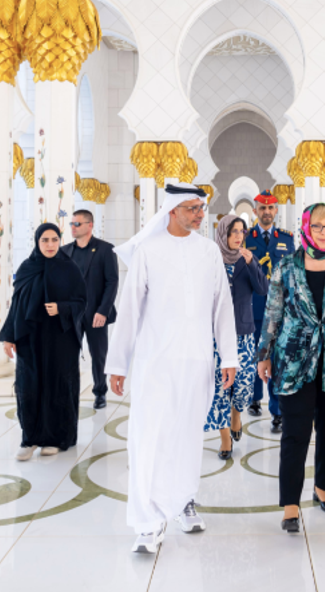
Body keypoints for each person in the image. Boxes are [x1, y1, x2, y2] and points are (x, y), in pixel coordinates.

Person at [108, 184, 238, 554]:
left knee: (187, 435)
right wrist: (118, 362)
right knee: (149, 438)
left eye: (201, 208)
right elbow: (129, 310)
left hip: (197, 361)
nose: (200, 214)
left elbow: (222, 306)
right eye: (192, 208)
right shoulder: (149, 251)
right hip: (155, 364)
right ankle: (148, 521)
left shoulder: (209, 252)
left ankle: (183, 501)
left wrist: (228, 357)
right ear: (172, 210)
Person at [257, 203, 325, 533]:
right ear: (305, 227)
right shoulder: (287, 265)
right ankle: (291, 503)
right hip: (294, 360)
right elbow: (272, 312)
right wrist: (264, 354)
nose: (324, 232)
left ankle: (322, 485)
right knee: (295, 432)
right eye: (318, 226)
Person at [0, 223, 88, 461]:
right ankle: (30, 438)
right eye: (45, 240)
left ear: (60, 241)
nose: (50, 245)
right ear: (37, 242)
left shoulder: (70, 268)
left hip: (61, 337)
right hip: (30, 337)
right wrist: (9, 336)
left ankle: (55, 438)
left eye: (54, 240)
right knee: (29, 384)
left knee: (57, 383)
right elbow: (16, 304)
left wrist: (62, 308)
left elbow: (82, 303)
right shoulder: (27, 267)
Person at [205, 215, 268, 459]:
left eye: (242, 231)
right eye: (233, 232)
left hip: (243, 333)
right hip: (216, 335)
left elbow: (263, 289)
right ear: (223, 234)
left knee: (244, 383)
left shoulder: (247, 259)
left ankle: (236, 414)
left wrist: (253, 264)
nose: (239, 236)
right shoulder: (211, 261)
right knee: (220, 388)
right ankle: (224, 439)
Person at [244, 190, 294, 432]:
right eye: (262, 208)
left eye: (270, 208)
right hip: (252, 308)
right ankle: (254, 398)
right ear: (255, 211)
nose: (266, 212)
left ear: (276, 211)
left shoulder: (287, 239)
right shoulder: (245, 238)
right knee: (256, 355)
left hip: (279, 311)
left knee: (275, 359)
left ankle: (277, 412)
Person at [63, 209, 119, 410]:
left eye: (77, 224)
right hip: (71, 315)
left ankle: (100, 393)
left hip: (96, 314)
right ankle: (69, 393)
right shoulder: (65, 251)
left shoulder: (105, 250)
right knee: (68, 355)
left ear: (89, 225)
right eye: (71, 224)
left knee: (98, 355)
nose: (73, 227)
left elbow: (112, 282)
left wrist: (103, 311)